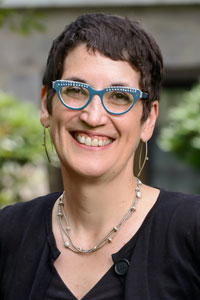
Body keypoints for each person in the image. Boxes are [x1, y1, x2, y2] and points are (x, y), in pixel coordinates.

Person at [0, 12, 200, 300]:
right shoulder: (8, 234)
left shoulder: (192, 230)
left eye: (119, 96)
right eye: (76, 91)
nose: (93, 117)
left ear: (149, 119)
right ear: (46, 105)